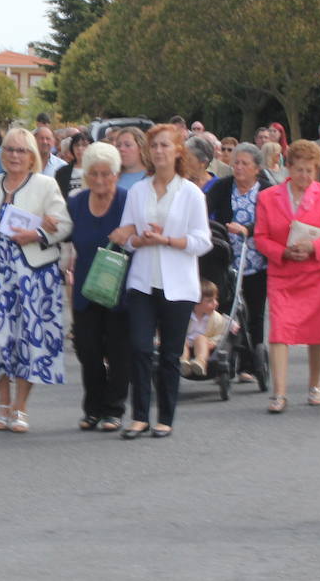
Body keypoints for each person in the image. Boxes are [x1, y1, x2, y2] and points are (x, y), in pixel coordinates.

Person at [111, 124, 212, 439]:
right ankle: (140, 416)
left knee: (170, 354)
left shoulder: (191, 193)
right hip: (142, 282)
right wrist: (138, 239)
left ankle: (165, 417)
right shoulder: (138, 191)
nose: (158, 151)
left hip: (178, 285)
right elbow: (127, 237)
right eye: (154, 146)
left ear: (178, 151)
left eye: (164, 145)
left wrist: (167, 239)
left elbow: (202, 241)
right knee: (140, 348)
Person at [0, 128, 74, 432]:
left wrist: (37, 233)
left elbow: (64, 225)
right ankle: (2, 400)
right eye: (9, 149)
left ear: (32, 155)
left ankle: (19, 407)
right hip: (2, 274)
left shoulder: (46, 185)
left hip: (36, 274)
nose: (15, 155)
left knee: (29, 341)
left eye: (21, 150)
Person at [254, 140, 320, 412]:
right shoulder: (268, 197)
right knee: (279, 329)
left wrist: (313, 247)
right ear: (289, 168)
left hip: (317, 273)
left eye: (310, 170)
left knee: (318, 331)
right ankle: (279, 393)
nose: (304, 176)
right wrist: (282, 252)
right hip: (283, 273)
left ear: (317, 170)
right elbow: (260, 237)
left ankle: (315, 385)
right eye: (299, 170)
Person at [65, 142, 130, 431]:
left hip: (120, 287)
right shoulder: (77, 203)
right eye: (94, 174)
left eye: (106, 174)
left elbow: (142, 232)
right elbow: (61, 233)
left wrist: (131, 232)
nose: (100, 180)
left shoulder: (127, 201)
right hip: (85, 288)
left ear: (116, 175)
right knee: (87, 350)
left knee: (118, 352)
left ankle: (114, 409)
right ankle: (92, 408)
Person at [204, 143, 271, 383]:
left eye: (244, 163)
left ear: (257, 168)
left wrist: (248, 229)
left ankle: (250, 364)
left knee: (254, 312)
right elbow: (203, 208)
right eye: (236, 163)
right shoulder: (222, 186)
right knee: (226, 309)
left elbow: (273, 219)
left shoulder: (266, 190)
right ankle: (224, 357)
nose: (239, 167)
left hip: (256, 260)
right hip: (226, 260)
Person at [180, 281, 227, 377]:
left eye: (215, 299)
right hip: (187, 343)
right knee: (181, 341)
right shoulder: (185, 316)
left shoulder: (216, 319)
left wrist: (213, 342)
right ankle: (183, 363)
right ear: (196, 303)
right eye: (210, 301)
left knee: (200, 338)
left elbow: (220, 334)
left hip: (205, 345)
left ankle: (200, 362)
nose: (215, 303)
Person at [54, 130, 92, 198]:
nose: (80, 148)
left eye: (84, 145)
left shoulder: (97, 170)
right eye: (77, 145)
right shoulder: (62, 172)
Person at [115, 127, 149, 192]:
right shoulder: (111, 176)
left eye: (127, 145)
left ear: (140, 147)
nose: (121, 149)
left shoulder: (154, 177)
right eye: (118, 145)